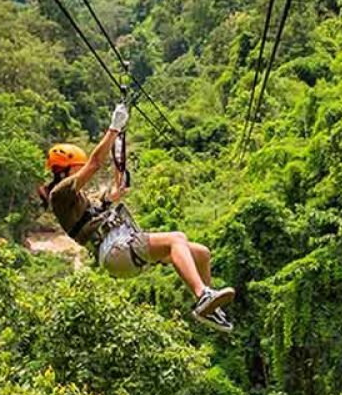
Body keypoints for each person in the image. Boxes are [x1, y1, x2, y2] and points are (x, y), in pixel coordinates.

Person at [38, 103, 235, 332]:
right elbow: (94, 164)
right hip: (116, 249)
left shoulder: (78, 200)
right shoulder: (60, 194)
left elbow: (93, 216)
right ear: (64, 170)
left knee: (202, 254)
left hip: (120, 250)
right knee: (176, 238)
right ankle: (202, 295)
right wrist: (113, 128)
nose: (79, 172)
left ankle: (208, 306)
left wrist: (111, 198)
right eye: (75, 168)